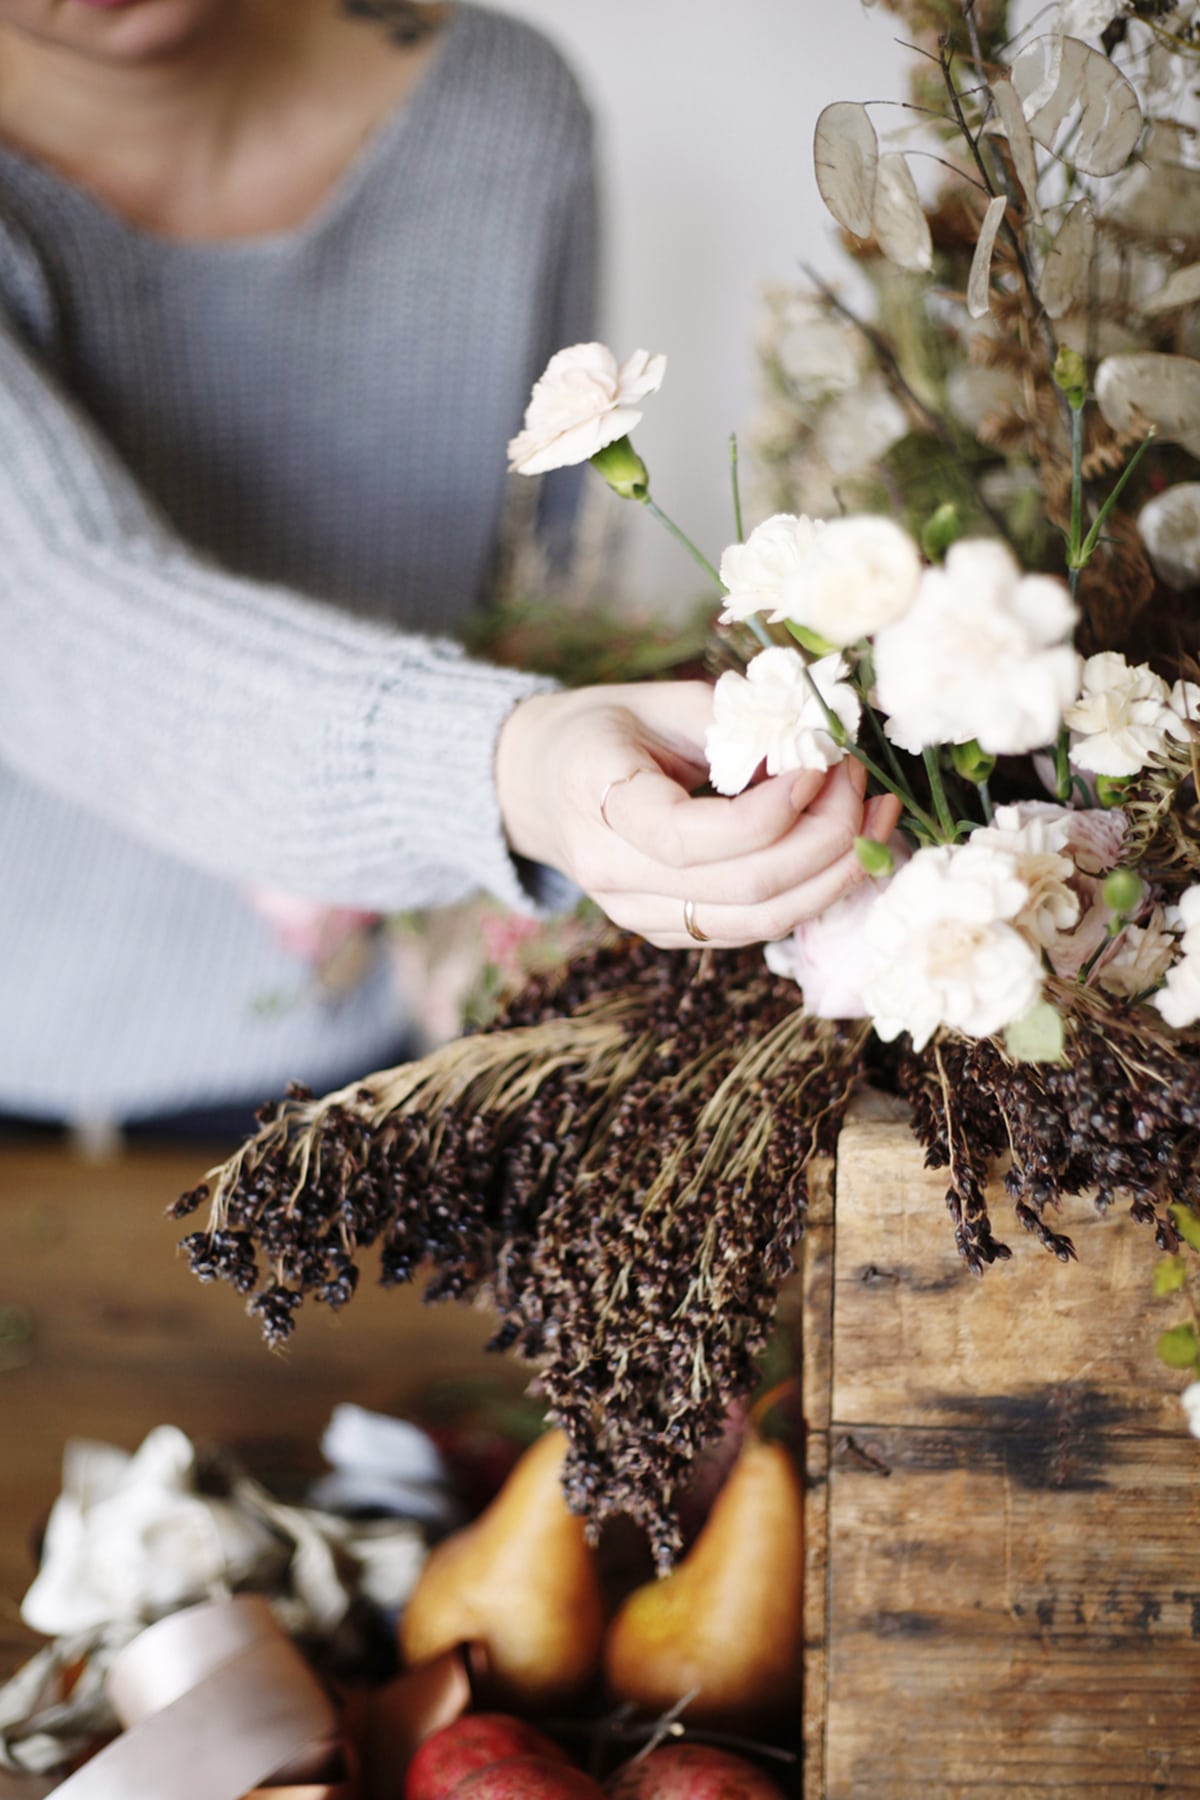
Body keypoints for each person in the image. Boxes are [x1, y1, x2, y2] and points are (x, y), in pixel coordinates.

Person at [0, 0, 895, 1127]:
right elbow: (47, 611)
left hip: (359, 1047)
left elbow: (529, 567)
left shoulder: (496, 111)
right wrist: (514, 769)